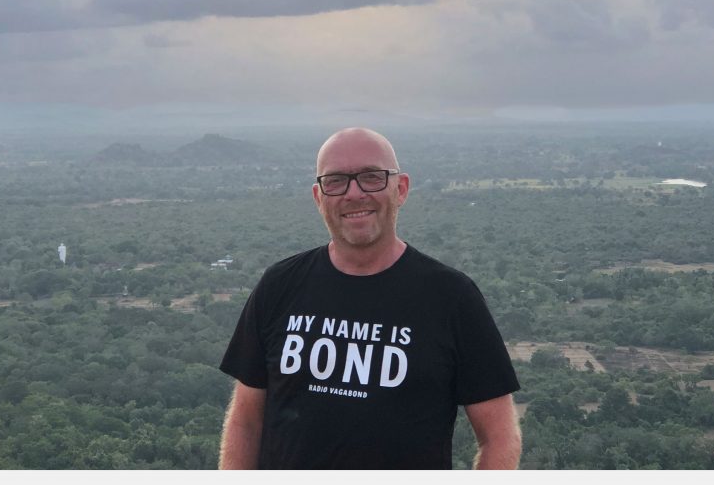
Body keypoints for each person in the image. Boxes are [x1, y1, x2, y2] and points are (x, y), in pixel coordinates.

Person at [218, 127, 521, 469]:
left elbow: (500, 437)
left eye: (371, 177)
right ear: (319, 197)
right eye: (335, 181)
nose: (354, 193)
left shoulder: (452, 298)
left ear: (401, 188)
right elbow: (245, 422)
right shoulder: (279, 285)